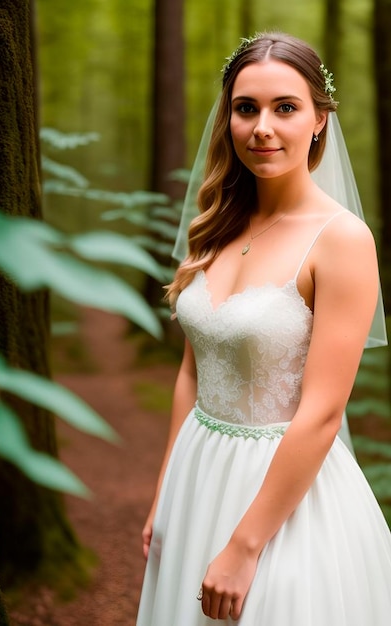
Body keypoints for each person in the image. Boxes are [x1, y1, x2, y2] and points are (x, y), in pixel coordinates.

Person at [136, 32, 391, 625]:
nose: (262, 128)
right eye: (246, 108)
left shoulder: (343, 240)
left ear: (320, 120)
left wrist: (245, 546)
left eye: (286, 107)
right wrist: (164, 496)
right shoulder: (215, 226)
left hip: (283, 494)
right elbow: (190, 372)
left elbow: (324, 411)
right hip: (197, 474)